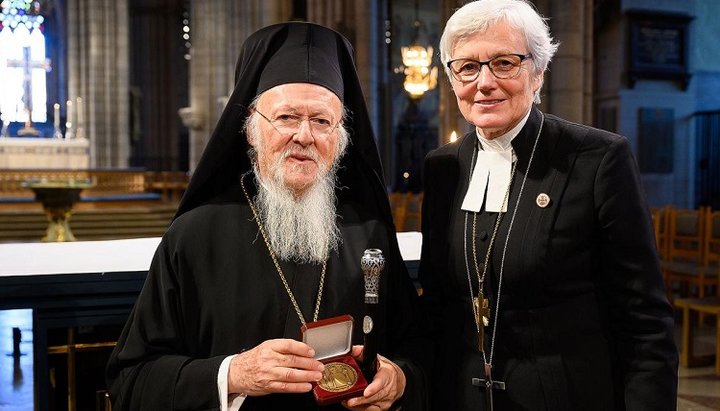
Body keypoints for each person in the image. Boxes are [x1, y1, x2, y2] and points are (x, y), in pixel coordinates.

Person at [107, 22, 427, 411]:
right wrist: (234, 374)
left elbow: (418, 354)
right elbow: (131, 380)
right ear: (251, 130)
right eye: (288, 118)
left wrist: (399, 377)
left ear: (340, 137)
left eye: (322, 121)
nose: (305, 136)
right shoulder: (194, 236)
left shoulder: (368, 231)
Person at [417, 0, 678, 410]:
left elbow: (645, 321)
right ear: (452, 79)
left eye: (504, 63)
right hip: (460, 396)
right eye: (466, 66)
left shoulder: (597, 158)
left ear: (538, 72)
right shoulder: (443, 166)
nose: (483, 82)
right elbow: (436, 303)